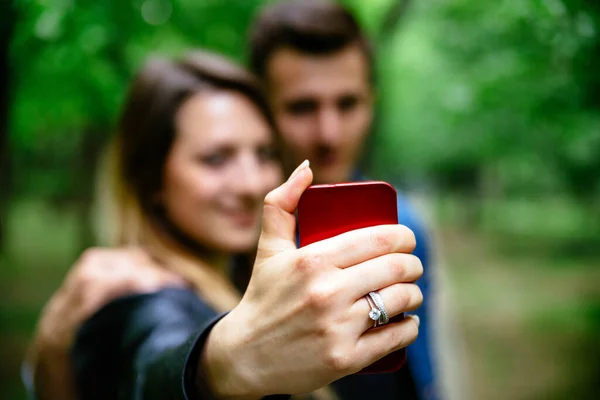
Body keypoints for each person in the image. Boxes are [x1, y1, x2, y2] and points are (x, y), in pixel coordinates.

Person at [25, 50, 424, 399]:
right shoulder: (134, 294)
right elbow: (151, 356)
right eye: (216, 159)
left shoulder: (244, 273)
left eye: (264, 153)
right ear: (151, 182)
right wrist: (222, 362)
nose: (253, 183)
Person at [247, 1, 439, 398]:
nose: (329, 134)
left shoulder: (405, 224)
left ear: (372, 102)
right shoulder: (231, 228)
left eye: (347, 104)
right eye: (302, 107)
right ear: (260, 109)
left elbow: (423, 372)